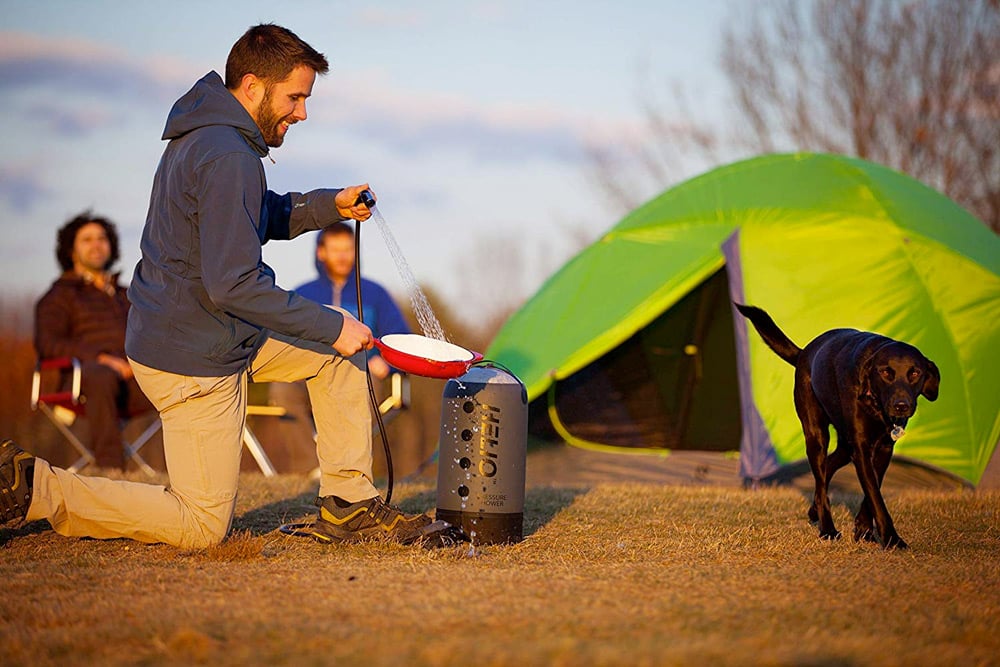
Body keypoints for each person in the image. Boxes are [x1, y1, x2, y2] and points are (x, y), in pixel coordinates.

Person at [1, 24, 448, 547]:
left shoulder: (212, 137)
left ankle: (349, 504)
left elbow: (255, 216)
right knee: (200, 526)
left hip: (216, 330)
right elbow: (233, 284)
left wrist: (330, 205)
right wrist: (330, 322)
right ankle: (31, 488)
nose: (302, 112)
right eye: (296, 97)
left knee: (335, 354)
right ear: (254, 86)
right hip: (190, 353)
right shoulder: (228, 155)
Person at [266, 223, 411, 463]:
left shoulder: (376, 294)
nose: (343, 256)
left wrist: (386, 363)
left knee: (367, 385)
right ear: (321, 252)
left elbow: (402, 339)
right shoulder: (302, 295)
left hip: (362, 372)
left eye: (348, 249)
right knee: (282, 390)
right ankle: (310, 470)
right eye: (336, 249)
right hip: (308, 372)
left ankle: (348, 467)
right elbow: (280, 337)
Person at [34, 212, 154, 470]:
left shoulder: (127, 294)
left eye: (101, 238)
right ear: (71, 249)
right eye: (86, 239)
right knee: (102, 375)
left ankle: (194, 473)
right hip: (84, 381)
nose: (96, 244)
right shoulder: (59, 296)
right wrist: (103, 359)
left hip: (134, 379)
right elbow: (47, 343)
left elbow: (151, 334)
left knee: (185, 376)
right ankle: (111, 471)